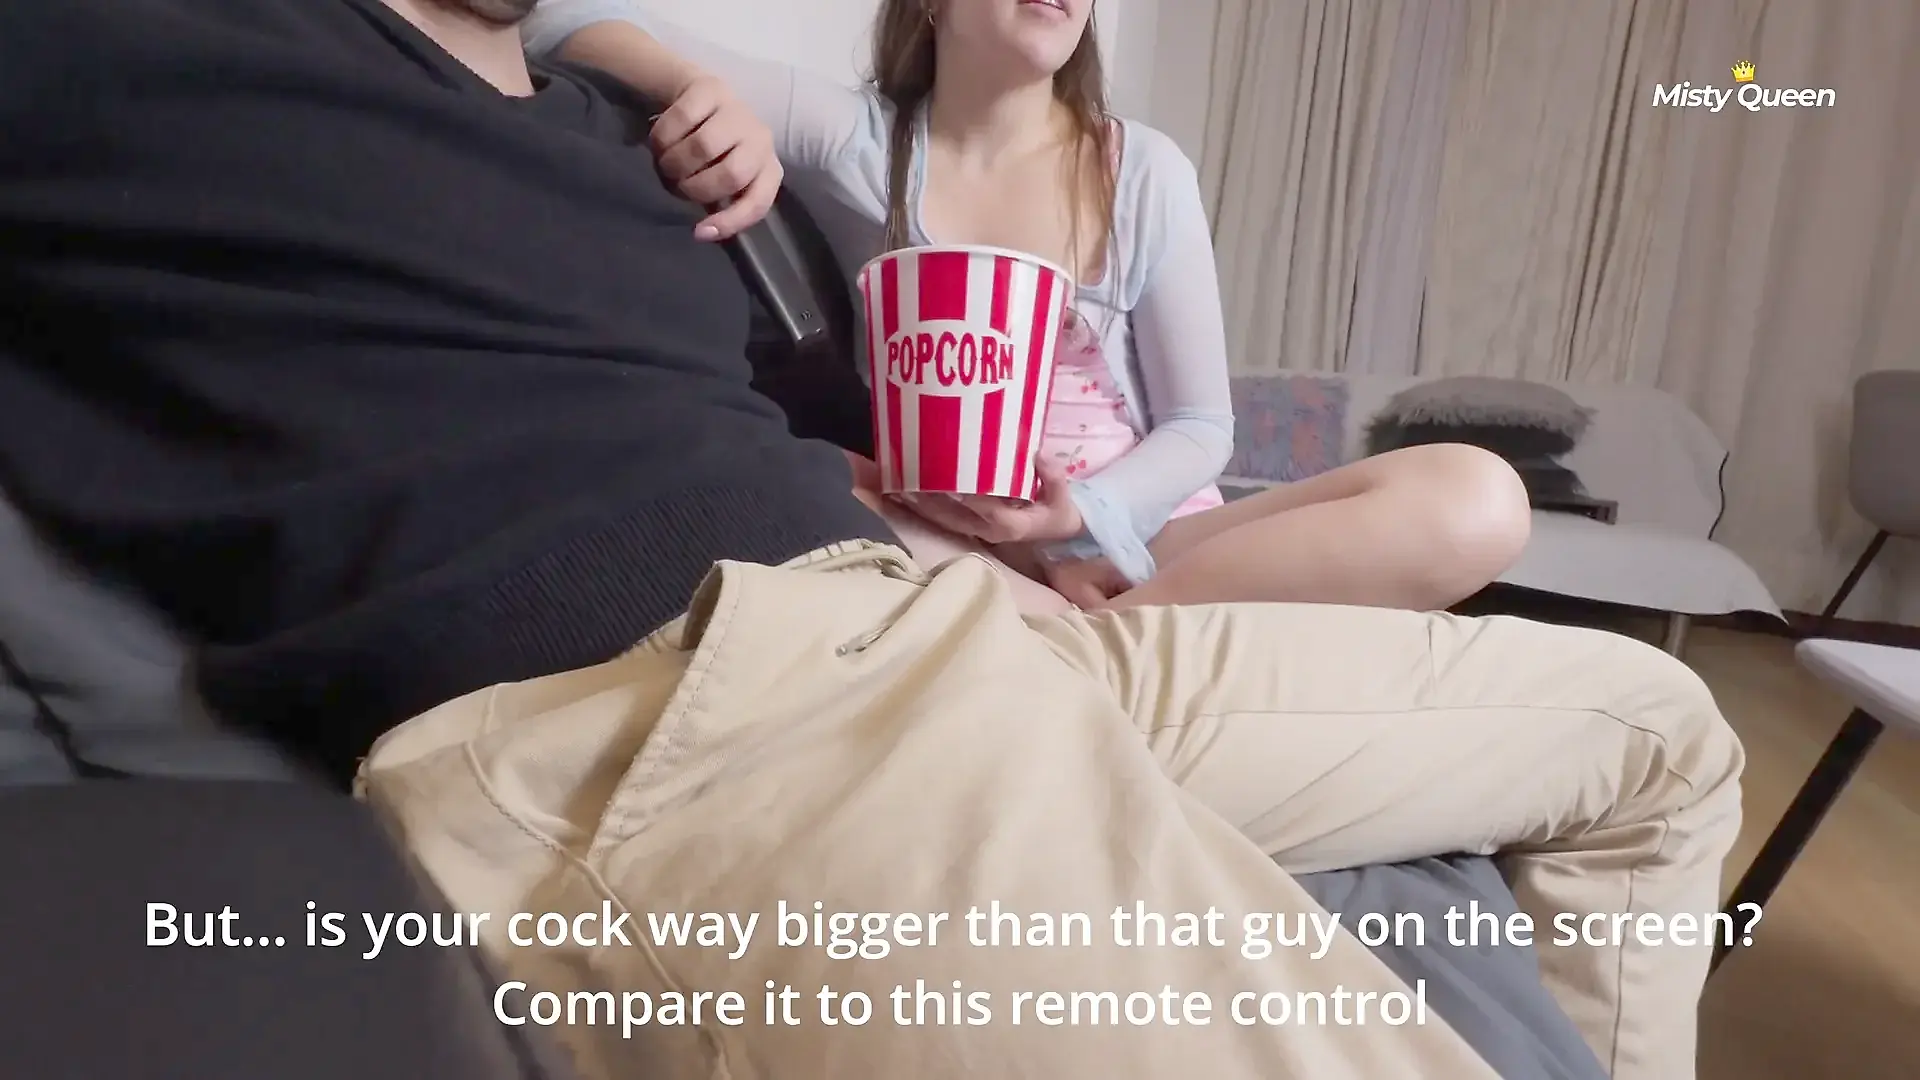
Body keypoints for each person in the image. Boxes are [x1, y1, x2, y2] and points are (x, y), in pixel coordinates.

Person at [0, 1, 1740, 1078]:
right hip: (703, 729)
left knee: (1659, 736)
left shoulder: (645, 151)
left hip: (960, 627)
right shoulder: (151, 46)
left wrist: (643, 70)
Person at [521, 0, 1533, 614]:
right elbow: (554, 21)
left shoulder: (1142, 171)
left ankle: (1122, 632)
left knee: (1479, 496)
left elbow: (1200, 427)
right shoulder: (859, 142)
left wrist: (1081, 517)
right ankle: (1077, 627)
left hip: (1156, 547)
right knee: (780, 472)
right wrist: (700, 94)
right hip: (963, 540)